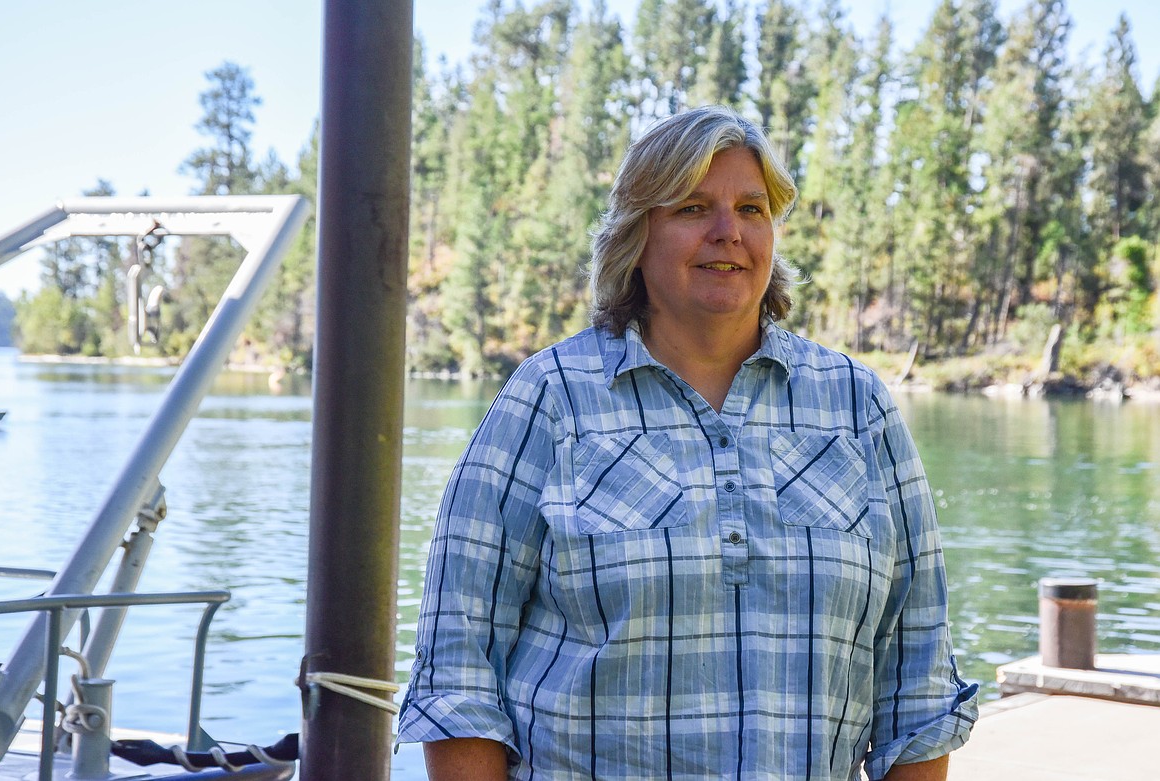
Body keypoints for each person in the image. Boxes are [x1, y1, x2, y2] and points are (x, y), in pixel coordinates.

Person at [397, 105, 977, 780]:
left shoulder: (856, 405)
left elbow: (919, 677)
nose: (728, 231)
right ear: (637, 235)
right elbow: (458, 665)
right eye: (694, 207)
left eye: (752, 209)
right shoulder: (550, 399)